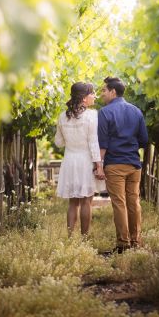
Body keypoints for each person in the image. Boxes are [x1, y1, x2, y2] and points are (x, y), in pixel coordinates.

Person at [98, 76, 149, 253]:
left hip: (114, 164)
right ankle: (136, 240)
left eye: (104, 90)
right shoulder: (136, 111)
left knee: (119, 203)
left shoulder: (104, 112)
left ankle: (123, 243)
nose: (102, 94)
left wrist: (99, 165)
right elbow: (144, 140)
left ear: (113, 91)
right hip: (134, 164)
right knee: (134, 202)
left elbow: (102, 143)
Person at [54, 82, 106, 237]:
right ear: (84, 98)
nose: (94, 96)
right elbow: (93, 142)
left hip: (69, 160)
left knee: (73, 202)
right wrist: (99, 165)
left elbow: (58, 142)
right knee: (86, 201)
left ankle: (70, 237)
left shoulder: (62, 116)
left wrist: (70, 139)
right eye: (92, 94)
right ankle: (85, 238)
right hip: (85, 161)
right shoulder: (92, 115)